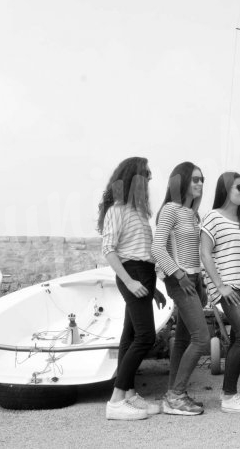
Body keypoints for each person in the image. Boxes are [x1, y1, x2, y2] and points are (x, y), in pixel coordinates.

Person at [99, 157, 166, 421]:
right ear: (133, 177)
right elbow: (109, 250)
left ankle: (127, 393)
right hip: (133, 274)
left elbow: (143, 253)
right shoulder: (117, 209)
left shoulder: (138, 211)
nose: (150, 177)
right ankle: (116, 400)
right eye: (146, 173)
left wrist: (155, 289)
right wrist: (129, 281)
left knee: (129, 336)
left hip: (144, 275)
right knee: (145, 337)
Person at [151, 161, 210, 416]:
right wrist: (178, 274)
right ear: (182, 182)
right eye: (195, 179)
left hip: (193, 279)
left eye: (202, 180)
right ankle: (177, 395)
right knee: (202, 338)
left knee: (184, 339)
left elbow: (196, 254)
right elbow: (156, 248)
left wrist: (202, 283)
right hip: (179, 280)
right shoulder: (170, 210)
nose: (199, 184)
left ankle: (172, 394)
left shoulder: (193, 214)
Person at [200, 172, 240, 414]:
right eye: (239, 186)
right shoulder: (212, 218)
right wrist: (221, 287)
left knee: (238, 339)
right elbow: (205, 254)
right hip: (230, 288)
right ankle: (228, 396)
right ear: (226, 189)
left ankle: (230, 394)